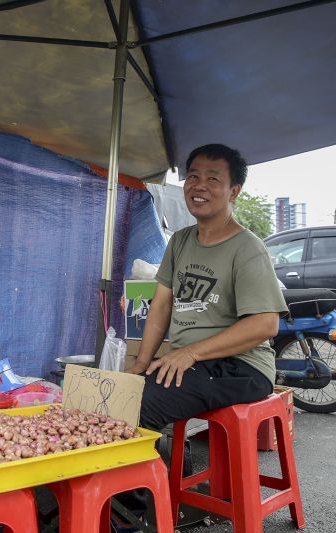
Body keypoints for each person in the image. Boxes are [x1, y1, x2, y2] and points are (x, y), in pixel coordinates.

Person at [127, 144, 287, 431]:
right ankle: (170, 469)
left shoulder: (248, 248)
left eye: (213, 179)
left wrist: (189, 353)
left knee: (139, 405)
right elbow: (161, 305)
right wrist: (141, 363)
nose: (199, 186)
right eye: (193, 177)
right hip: (194, 364)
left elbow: (266, 324)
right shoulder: (180, 241)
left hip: (241, 367)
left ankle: (154, 476)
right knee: (121, 394)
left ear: (233, 191)